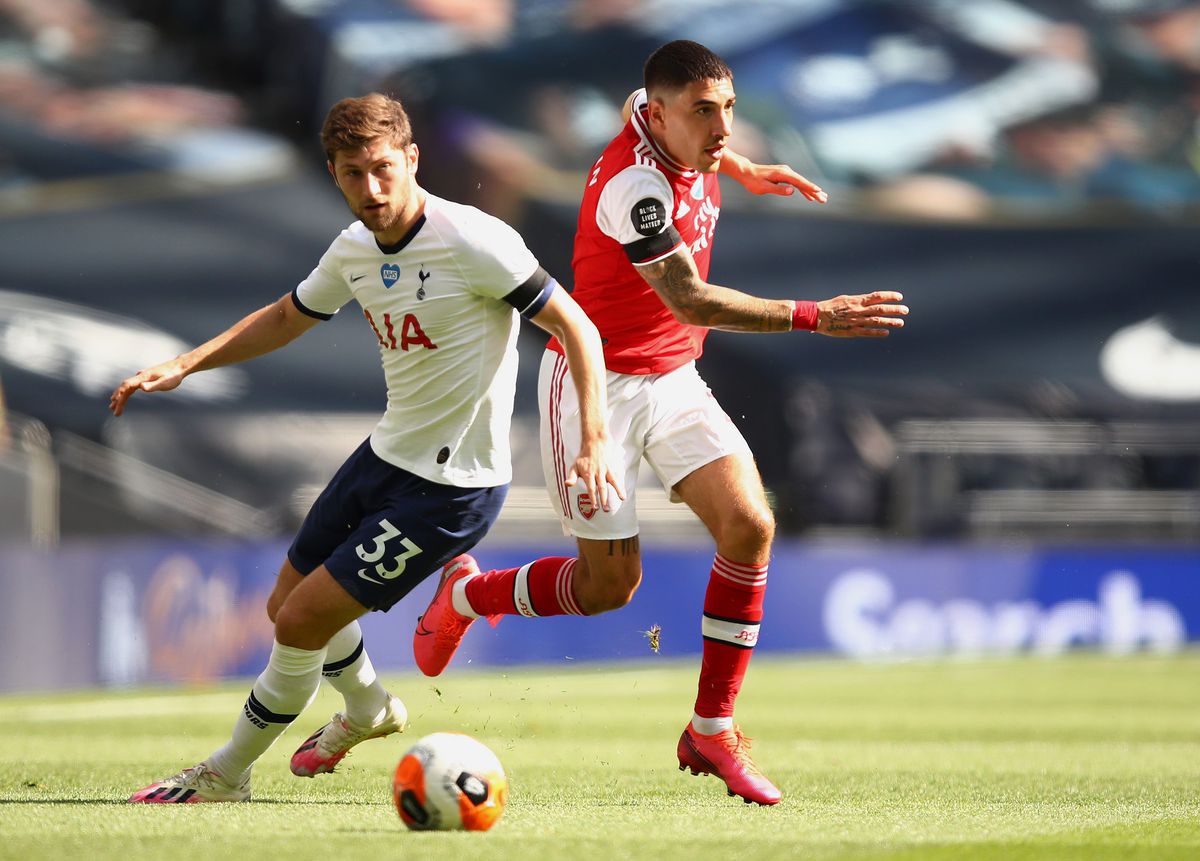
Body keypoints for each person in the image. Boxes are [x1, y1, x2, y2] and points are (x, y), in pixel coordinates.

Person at [411, 40, 908, 806]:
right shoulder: (633, 188)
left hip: (675, 377)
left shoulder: (671, 128)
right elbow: (693, 300)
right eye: (705, 113)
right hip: (595, 383)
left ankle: (711, 728)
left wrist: (740, 169)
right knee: (611, 586)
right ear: (658, 115)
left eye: (728, 110)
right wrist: (817, 315)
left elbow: (684, 143)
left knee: (750, 525)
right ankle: (468, 597)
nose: (721, 128)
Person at [110, 92, 620, 803]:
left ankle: (225, 773)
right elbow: (289, 315)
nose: (372, 189)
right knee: (286, 601)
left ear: (412, 158)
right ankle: (370, 709)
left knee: (301, 620)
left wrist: (593, 442)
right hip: (385, 456)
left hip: (453, 486)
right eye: (353, 174)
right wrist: (188, 362)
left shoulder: (474, 240)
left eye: (383, 168)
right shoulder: (354, 249)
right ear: (334, 173)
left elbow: (578, 328)